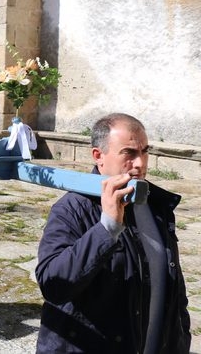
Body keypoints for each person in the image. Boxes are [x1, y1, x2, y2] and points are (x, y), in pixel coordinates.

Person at [35, 113, 190, 353]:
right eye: (129, 153)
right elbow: (53, 285)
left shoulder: (156, 206)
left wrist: (180, 339)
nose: (140, 163)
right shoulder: (71, 209)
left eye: (145, 151)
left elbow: (174, 288)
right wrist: (106, 227)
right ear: (99, 156)